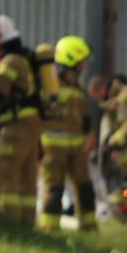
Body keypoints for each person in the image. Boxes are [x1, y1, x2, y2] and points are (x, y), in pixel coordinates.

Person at [0, 15, 42, 226]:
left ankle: (8, 219)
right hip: (32, 122)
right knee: (27, 174)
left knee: (7, 170)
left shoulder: (10, 61)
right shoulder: (22, 57)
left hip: (18, 123)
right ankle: (26, 222)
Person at [37, 36, 97, 232]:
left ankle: (89, 228)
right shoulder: (50, 85)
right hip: (53, 150)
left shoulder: (75, 87)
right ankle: (50, 229)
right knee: (54, 191)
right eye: (79, 65)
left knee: (85, 190)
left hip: (76, 149)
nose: (81, 69)